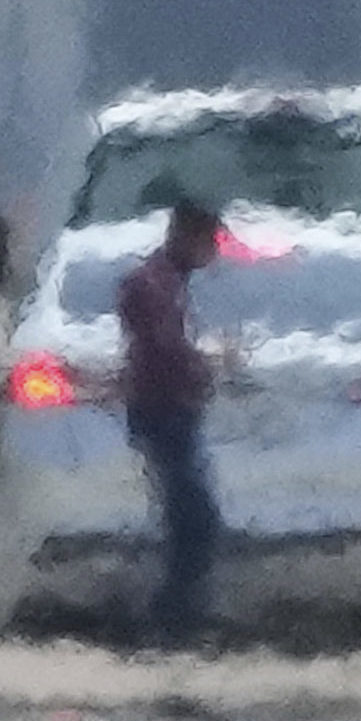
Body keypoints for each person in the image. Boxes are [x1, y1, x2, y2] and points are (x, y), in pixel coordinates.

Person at [115, 200, 229, 640]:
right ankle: (175, 617)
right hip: (163, 411)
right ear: (188, 235)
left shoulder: (169, 282)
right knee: (195, 519)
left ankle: (181, 610)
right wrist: (207, 364)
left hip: (173, 410)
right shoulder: (151, 284)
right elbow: (163, 350)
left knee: (190, 515)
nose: (214, 253)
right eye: (210, 241)